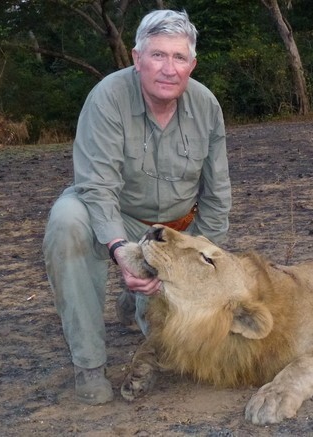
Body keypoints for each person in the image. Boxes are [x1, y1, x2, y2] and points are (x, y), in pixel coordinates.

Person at [42, 9, 231, 405]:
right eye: (158, 55)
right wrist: (120, 252)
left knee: (179, 347)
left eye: (179, 58)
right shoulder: (107, 97)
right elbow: (96, 187)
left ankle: (135, 299)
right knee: (67, 220)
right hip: (113, 214)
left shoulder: (207, 105)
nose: (169, 69)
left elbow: (216, 194)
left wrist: (197, 260)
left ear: (192, 64)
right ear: (136, 58)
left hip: (174, 232)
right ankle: (89, 364)